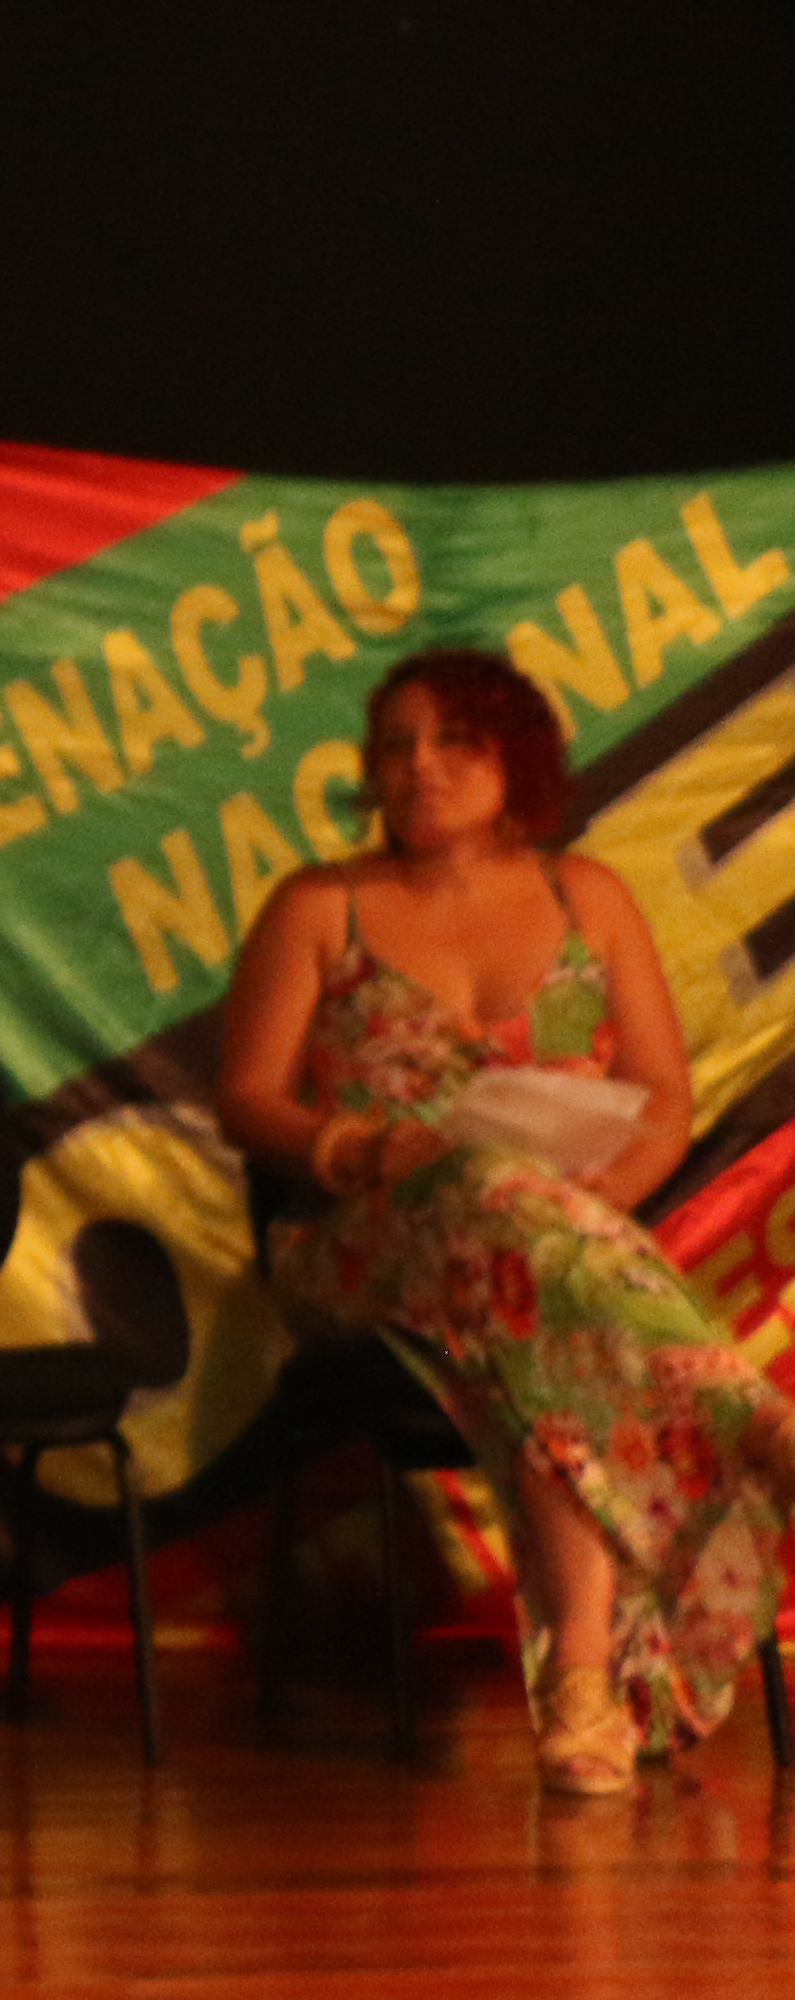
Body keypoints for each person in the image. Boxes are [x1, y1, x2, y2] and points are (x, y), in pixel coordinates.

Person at [217, 647, 789, 1798]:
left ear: (515, 760)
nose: (420, 767)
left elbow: (663, 1103)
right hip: (365, 1245)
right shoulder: (321, 906)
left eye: (454, 742)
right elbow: (246, 1096)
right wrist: (353, 1148)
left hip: (539, 1263)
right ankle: (753, 1425)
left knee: (533, 1317)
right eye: (396, 746)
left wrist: (588, 1208)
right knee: (488, 1193)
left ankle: (580, 1685)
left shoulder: (589, 897)